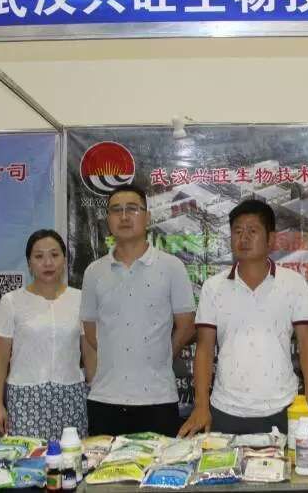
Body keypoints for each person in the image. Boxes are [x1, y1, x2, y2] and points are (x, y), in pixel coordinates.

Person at [179, 199, 308, 437]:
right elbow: (204, 348)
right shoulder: (213, 287)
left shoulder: (293, 283)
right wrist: (202, 406)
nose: (243, 238)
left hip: (283, 408)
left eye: (252, 231)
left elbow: (307, 343)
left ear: (271, 239)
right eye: (237, 231)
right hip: (225, 410)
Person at [80, 183, 196, 436]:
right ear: (108, 219)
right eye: (116, 210)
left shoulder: (171, 267)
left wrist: (161, 354)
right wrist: (120, 356)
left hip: (157, 399)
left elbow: (187, 326)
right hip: (105, 399)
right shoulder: (93, 272)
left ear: (147, 217)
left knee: (159, 463)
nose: (124, 216)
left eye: (132, 209)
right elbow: (90, 331)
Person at [0, 229, 93, 440]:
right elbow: (0, 358)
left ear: (64, 259)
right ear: (29, 263)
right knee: (28, 458)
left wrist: (95, 397)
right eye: (39, 256)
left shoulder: (80, 299)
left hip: (71, 397)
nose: (48, 263)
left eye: (54, 255)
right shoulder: (11, 301)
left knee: (71, 457)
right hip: (25, 398)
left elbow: (89, 353)